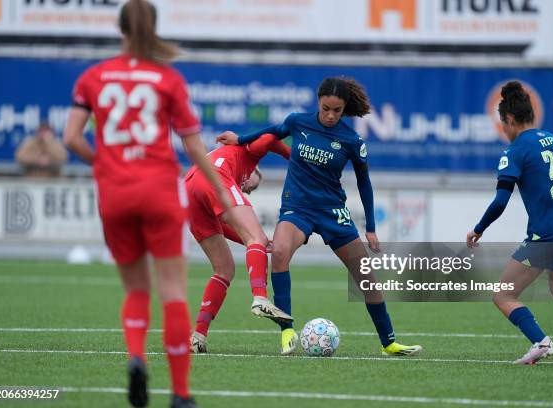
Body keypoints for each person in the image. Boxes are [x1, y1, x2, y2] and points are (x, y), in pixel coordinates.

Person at [63, 1, 229, 407]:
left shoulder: (93, 78)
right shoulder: (167, 79)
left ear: (120, 30)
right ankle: (181, 394)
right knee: (172, 290)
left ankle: (137, 358)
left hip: (115, 193)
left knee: (135, 289)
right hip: (158, 190)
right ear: (153, 29)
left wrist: (104, 162)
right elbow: (192, 146)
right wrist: (222, 192)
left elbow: (70, 139)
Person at [217, 76, 422, 356]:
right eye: (326, 108)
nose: (330, 115)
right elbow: (273, 131)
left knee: (366, 277)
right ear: (318, 102)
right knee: (278, 253)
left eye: (337, 110)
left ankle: (389, 343)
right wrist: (240, 139)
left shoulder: (352, 140)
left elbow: (365, 182)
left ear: (344, 109)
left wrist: (371, 227)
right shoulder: (298, 122)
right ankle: (287, 331)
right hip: (297, 208)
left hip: (332, 211)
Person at [467, 81, 553, 365]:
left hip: (548, 235)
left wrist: (478, 229)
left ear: (510, 119)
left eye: (503, 124)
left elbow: (501, 201)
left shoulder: (515, 152)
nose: (503, 130)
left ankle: (541, 342)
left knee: (503, 294)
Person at [185, 133, 293, 353]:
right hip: (214, 177)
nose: (246, 190)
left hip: (189, 188)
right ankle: (260, 298)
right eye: (250, 187)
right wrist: (293, 158)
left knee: (224, 269)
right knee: (257, 237)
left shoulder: (226, 160)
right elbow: (269, 138)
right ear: (254, 172)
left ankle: (198, 336)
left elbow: (222, 227)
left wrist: (251, 241)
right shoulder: (249, 153)